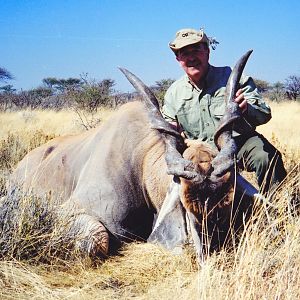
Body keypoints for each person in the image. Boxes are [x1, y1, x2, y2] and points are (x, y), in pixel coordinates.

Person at [162, 28, 287, 194]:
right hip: (199, 153)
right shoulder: (173, 93)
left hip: (237, 143)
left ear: (207, 51)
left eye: (196, 50)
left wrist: (246, 108)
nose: (191, 57)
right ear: (178, 58)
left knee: (265, 157)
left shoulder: (233, 78)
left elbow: (264, 113)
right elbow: (169, 131)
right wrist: (170, 131)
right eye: (184, 53)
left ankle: (277, 209)